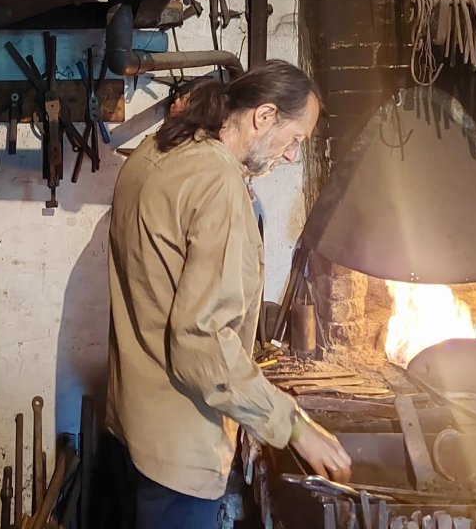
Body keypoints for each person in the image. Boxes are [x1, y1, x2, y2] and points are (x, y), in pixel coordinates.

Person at [99, 59, 352, 529]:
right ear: (263, 116)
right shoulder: (218, 186)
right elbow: (203, 343)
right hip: (180, 448)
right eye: (295, 139)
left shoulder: (156, 151)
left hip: (131, 425)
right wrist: (292, 426)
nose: (294, 156)